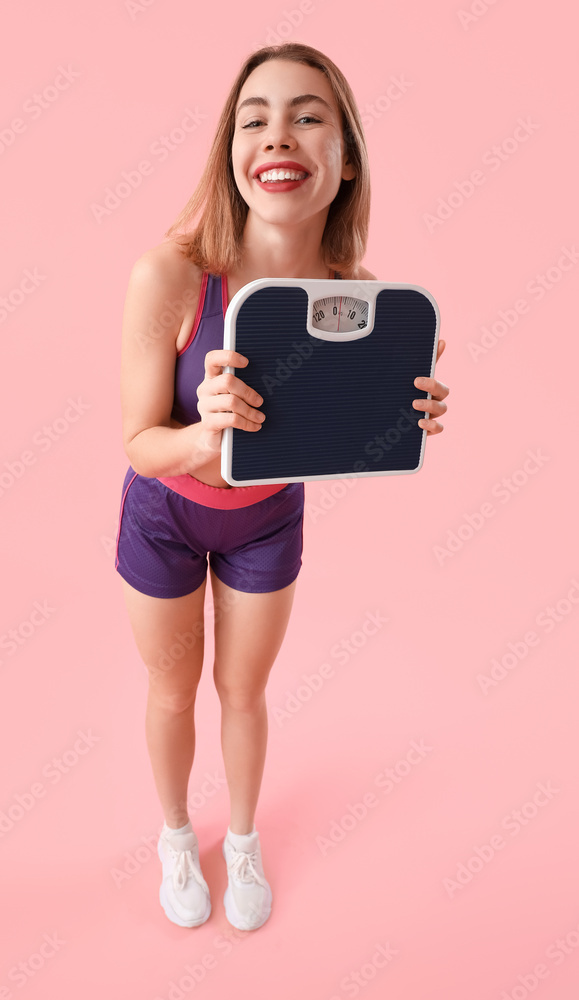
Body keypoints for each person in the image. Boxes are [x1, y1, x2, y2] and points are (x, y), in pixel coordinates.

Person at [115, 41, 449, 932]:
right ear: (232, 150)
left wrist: (401, 411)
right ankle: (179, 836)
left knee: (243, 692)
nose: (279, 135)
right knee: (171, 693)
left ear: (344, 159)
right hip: (164, 517)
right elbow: (138, 444)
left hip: (267, 522)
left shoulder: (361, 299)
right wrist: (201, 438)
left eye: (308, 115)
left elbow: (354, 442)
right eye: (254, 117)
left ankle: (246, 841)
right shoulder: (171, 275)